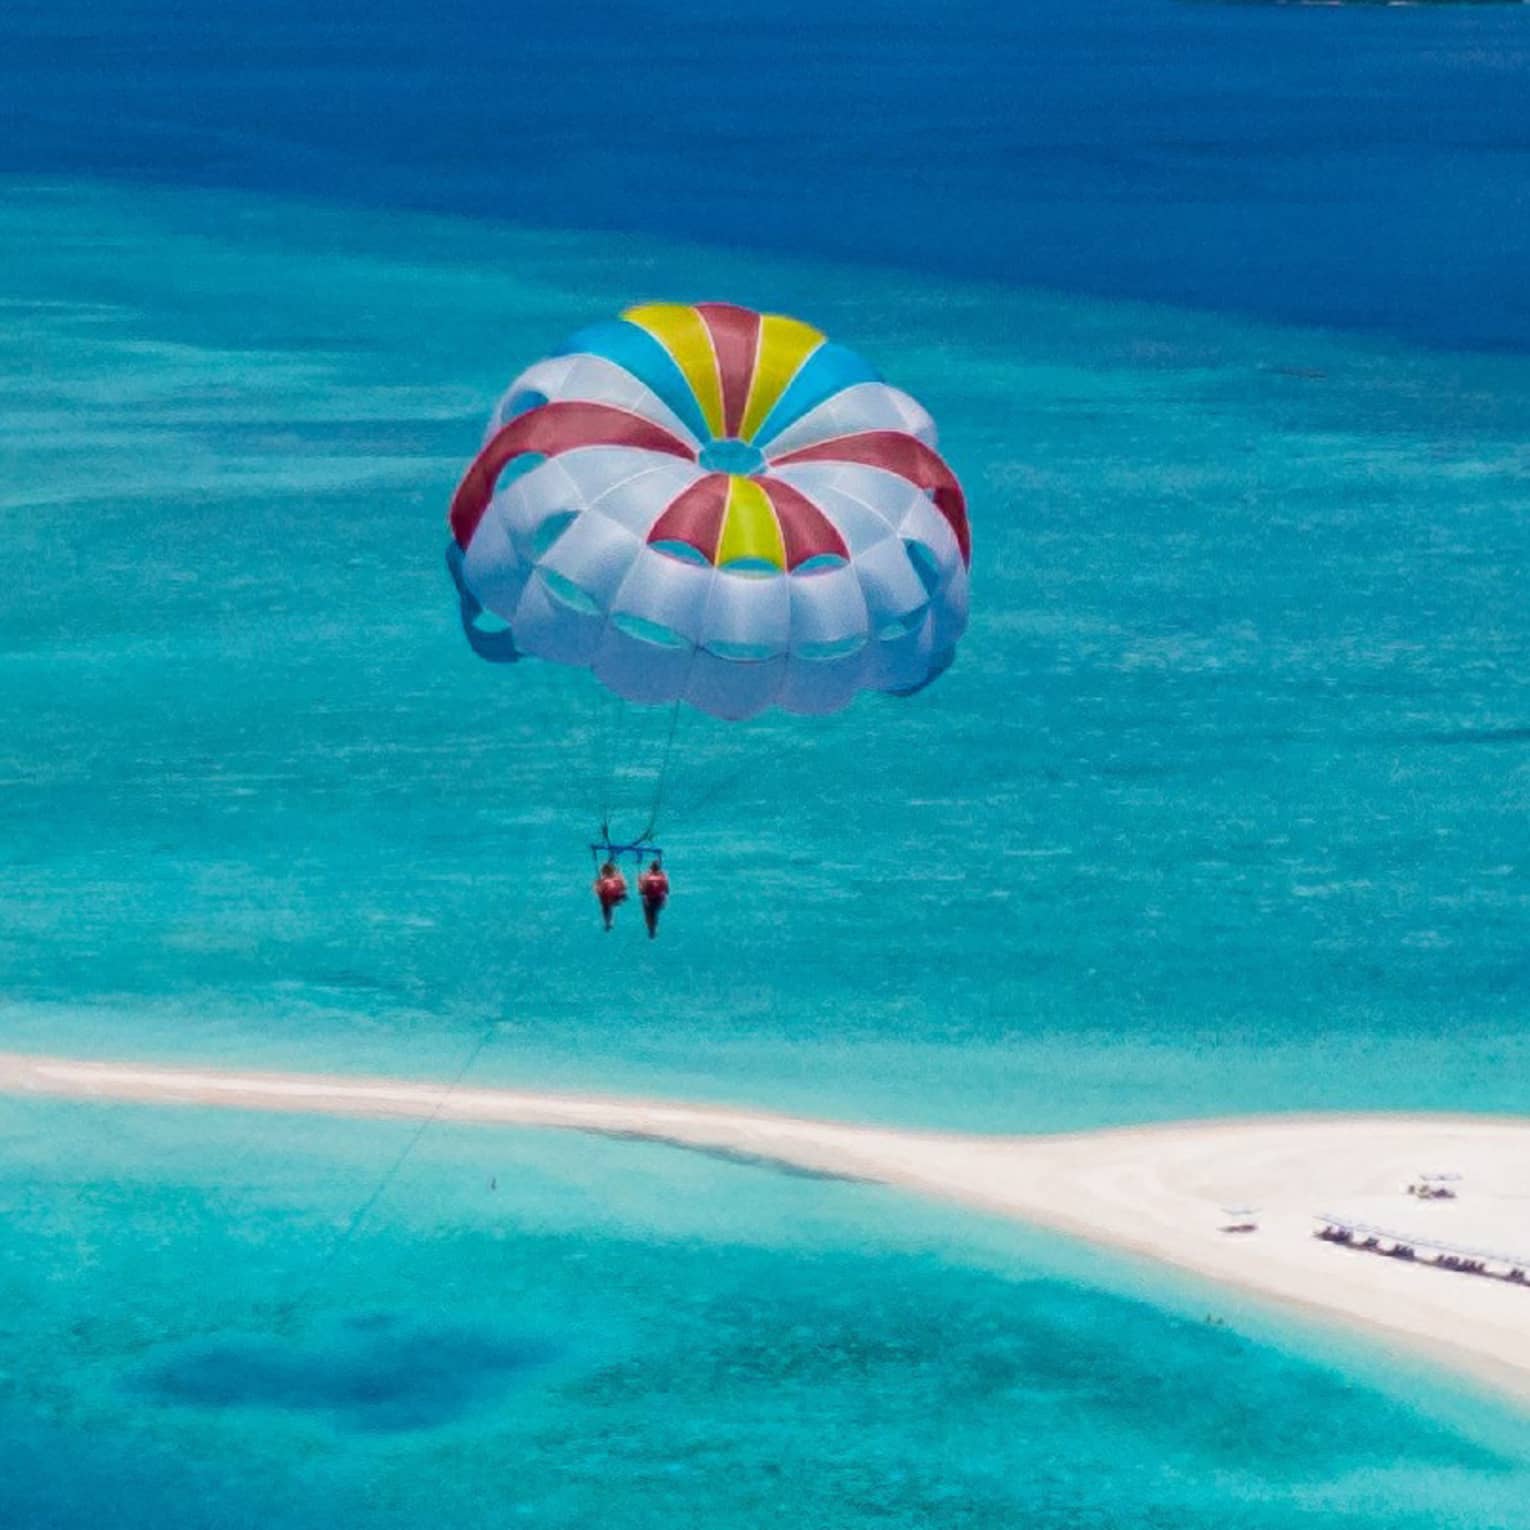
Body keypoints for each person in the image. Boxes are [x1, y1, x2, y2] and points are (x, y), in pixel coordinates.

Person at [637, 859, 669, 939]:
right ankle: (654, 929)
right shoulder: (663, 877)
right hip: (659, 900)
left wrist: (639, 882)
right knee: (655, 914)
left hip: (648, 900)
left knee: (649, 916)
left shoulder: (647, 877)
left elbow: (642, 891)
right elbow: (667, 890)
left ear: (651, 868)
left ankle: (651, 930)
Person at [594, 861, 628, 931]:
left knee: (606, 908)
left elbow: (598, 890)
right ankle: (620, 899)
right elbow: (625, 886)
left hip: (607, 899)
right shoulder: (617, 878)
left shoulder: (602, 880)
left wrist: (598, 886)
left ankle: (608, 922)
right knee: (619, 893)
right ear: (613, 871)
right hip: (616, 897)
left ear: (603, 872)